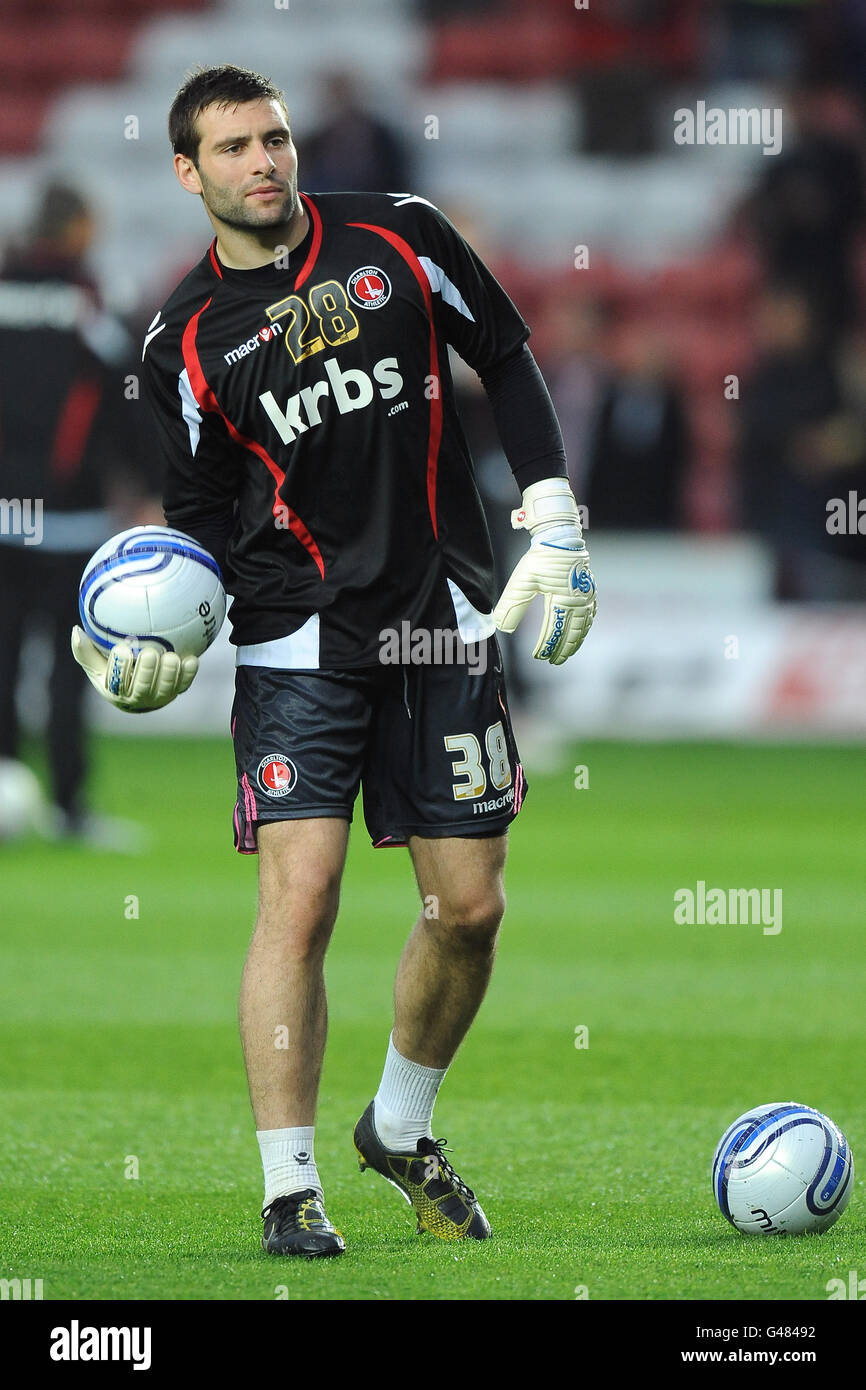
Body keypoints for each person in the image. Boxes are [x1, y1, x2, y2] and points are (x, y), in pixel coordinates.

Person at [71, 65, 596, 1257]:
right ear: (187, 173)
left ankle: (399, 1130)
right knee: (298, 903)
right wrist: (148, 638)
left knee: (468, 910)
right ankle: (286, 1188)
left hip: (442, 618)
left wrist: (552, 511)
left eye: (274, 138)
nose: (264, 161)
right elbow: (195, 527)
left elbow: (505, 355)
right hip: (293, 641)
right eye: (234, 148)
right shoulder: (182, 342)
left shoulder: (400, 237)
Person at [0, 183, 152, 847]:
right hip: (73, 520)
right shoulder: (93, 302)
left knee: (2, 663)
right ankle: (68, 808)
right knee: (72, 666)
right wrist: (152, 484)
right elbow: (132, 399)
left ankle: (6, 793)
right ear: (79, 228)